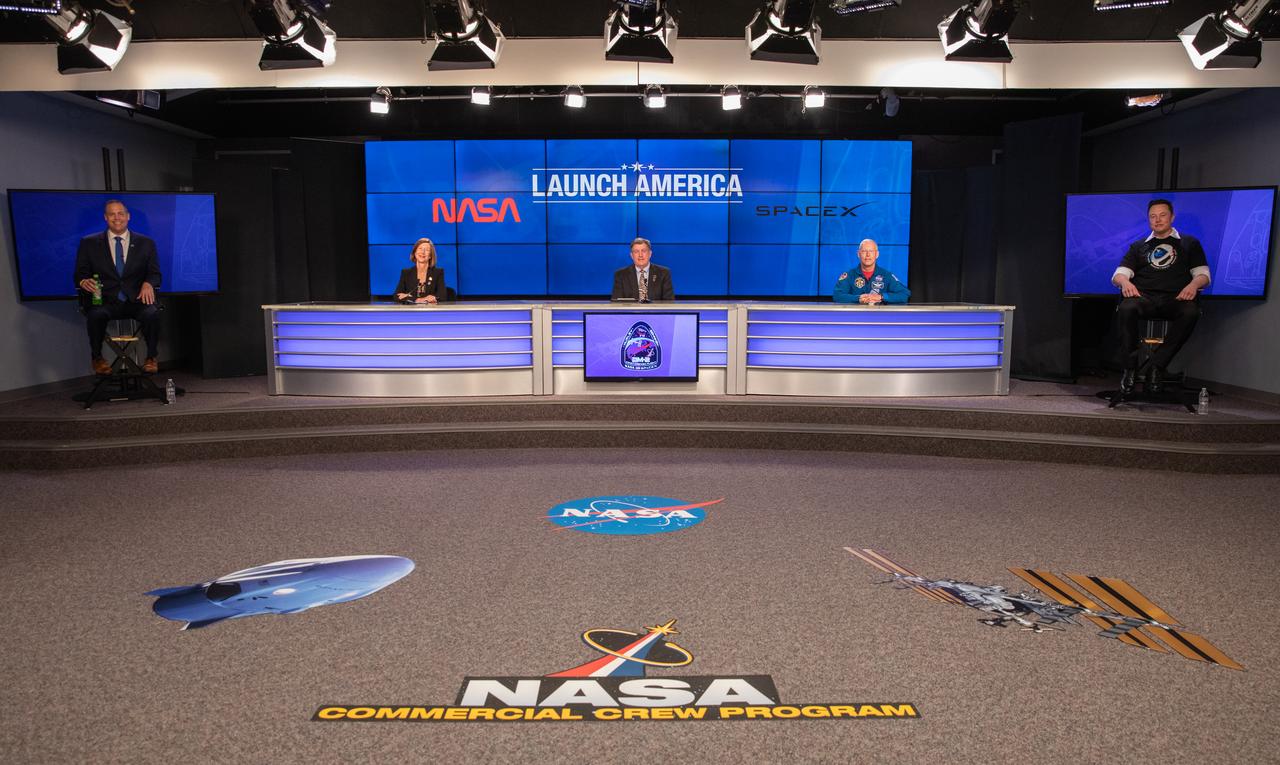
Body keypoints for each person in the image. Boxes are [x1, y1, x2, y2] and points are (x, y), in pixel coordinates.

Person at [1112, 198, 1210, 394]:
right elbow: (1118, 275)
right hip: (1145, 298)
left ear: (1172, 217)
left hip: (1176, 299)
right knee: (1126, 308)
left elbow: (1204, 276)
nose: (1157, 220)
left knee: (1191, 312)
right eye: (1153, 216)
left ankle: (1156, 367)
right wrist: (1125, 282)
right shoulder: (1139, 246)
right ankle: (1130, 368)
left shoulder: (1189, 243)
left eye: (1162, 215)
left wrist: (1193, 285)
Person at [74, 199, 162, 375]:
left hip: (136, 300)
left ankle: (151, 357)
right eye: (112, 214)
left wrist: (148, 283)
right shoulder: (89, 243)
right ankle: (97, 358)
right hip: (105, 301)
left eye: (120, 213)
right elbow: (80, 274)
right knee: (95, 315)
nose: (117, 218)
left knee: (152, 313)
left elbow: (155, 273)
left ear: (128, 216)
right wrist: (83, 281)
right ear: (105, 218)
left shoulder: (146, 243)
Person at [833, 239, 910, 304]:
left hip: (880, 318)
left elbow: (904, 294)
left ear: (877, 254)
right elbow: (837, 295)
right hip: (855, 318)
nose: (868, 255)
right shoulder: (849, 275)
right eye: (864, 251)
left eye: (871, 251)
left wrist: (881, 297)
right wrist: (858, 298)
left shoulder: (887, 275)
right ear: (858, 254)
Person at [611, 237, 674, 302]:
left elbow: (669, 302)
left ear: (650, 254)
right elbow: (616, 303)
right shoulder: (621, 275)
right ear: (631, 255)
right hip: (630, 312)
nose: (640, 255)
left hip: (655, 312)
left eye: (643, 251)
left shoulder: (663, 273)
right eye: (636, 251)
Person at [394, 238, 448, 304]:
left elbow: (442, 296)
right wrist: (417, 300)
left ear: (430, 255)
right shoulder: (406, 272)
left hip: (431, 312)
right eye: (420, 248)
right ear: (415, 252)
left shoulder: (437, 272)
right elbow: (397, 296)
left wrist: (408, 297)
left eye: (427, 250)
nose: (423, 252)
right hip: (411, 312)